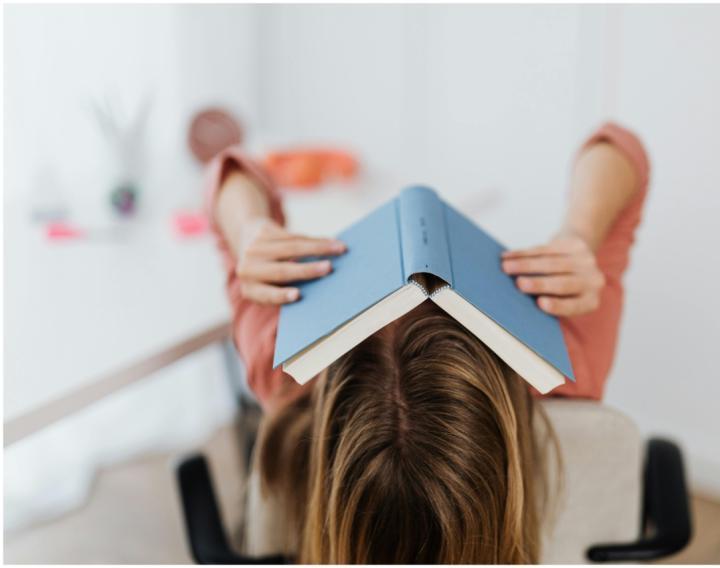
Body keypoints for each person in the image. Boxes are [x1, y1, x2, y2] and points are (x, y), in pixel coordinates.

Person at [207, 122, 649, 563]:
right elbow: (619, 148)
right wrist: (579, 235)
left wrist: (250, 231)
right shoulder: (562, 354)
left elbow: (230, 172)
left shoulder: (285, 361)